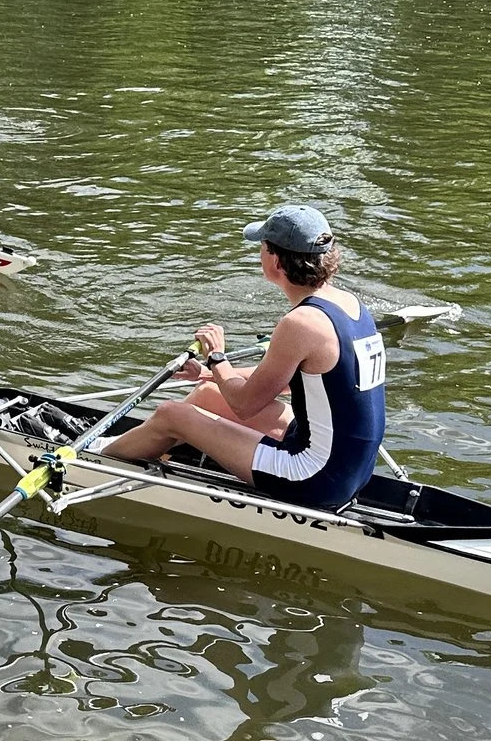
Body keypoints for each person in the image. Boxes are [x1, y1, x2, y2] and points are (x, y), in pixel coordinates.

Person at [101, 204, 387, 513]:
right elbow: (289, 383)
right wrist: (208, 374)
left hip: (314, 476)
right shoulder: (349, 304)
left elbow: (245, 405)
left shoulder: (301, 323)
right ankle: (147, 445)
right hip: (351, 469)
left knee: (171, 414)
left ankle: (96, 460)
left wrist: (216, 357)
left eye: (262, 246)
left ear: (276, 261)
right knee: (208, 395)